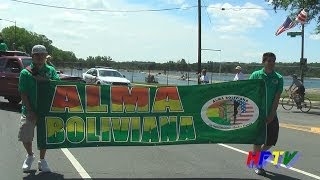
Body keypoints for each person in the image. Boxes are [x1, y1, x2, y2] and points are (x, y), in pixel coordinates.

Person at [18, 45, 60, 173]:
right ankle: (30, 155)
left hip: (46, 110)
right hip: (29, 110)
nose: (40, 57)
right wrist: (30, 110)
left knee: (44, 137)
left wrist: (45, 80)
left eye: (42, 54)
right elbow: (23, 93)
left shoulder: (51, 70)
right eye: (37, 54)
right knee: (25, 135)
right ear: (32, 56)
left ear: (45, 56)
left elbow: (57, 86)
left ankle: (42, 160)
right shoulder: (25, 73)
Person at [249, 52, 283, 176]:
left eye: (273, 61)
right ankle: (258, 164)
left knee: (270, 141)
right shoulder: (256, 75)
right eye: (269, 61)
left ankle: (256, 157)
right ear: (263, 62)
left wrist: (272, 114)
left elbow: (277, 98)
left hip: (271, 114)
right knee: (258, 141)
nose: (271, 63)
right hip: (257, 114)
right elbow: (249, 93)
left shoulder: (278, 78)